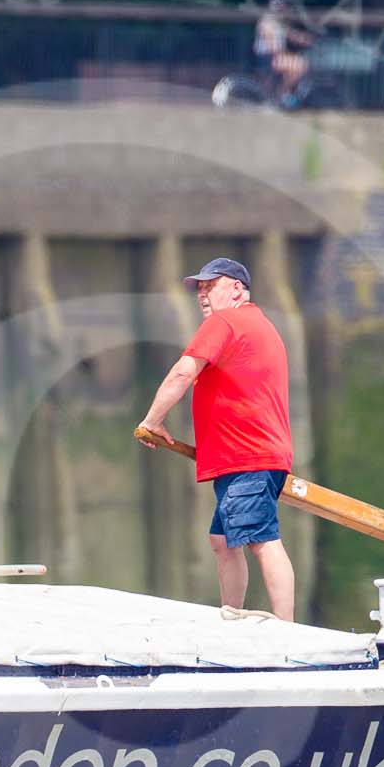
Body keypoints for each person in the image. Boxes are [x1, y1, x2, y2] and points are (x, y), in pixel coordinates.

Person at [136, 256, 296, 622]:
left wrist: (152, 420)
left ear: (237, 288)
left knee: (262, 540)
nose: (202, 294)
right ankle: (231, 618)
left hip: (248, 456)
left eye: (212, 285)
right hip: (250, 455)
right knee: (222, 542)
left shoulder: (227, 321)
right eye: (200, 289)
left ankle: (288, 631)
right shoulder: (259, 324)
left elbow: (183, 372)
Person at [253, 0, 313, 106]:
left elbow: (292, 35)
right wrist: (286, 54)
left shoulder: (278, 23)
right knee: (300, 65)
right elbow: (273, 46)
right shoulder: (267, 23)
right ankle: (283, 95)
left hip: (276, 56)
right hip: (268, 57)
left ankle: (283, 94)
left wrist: (306, 39)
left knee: (298, 64)